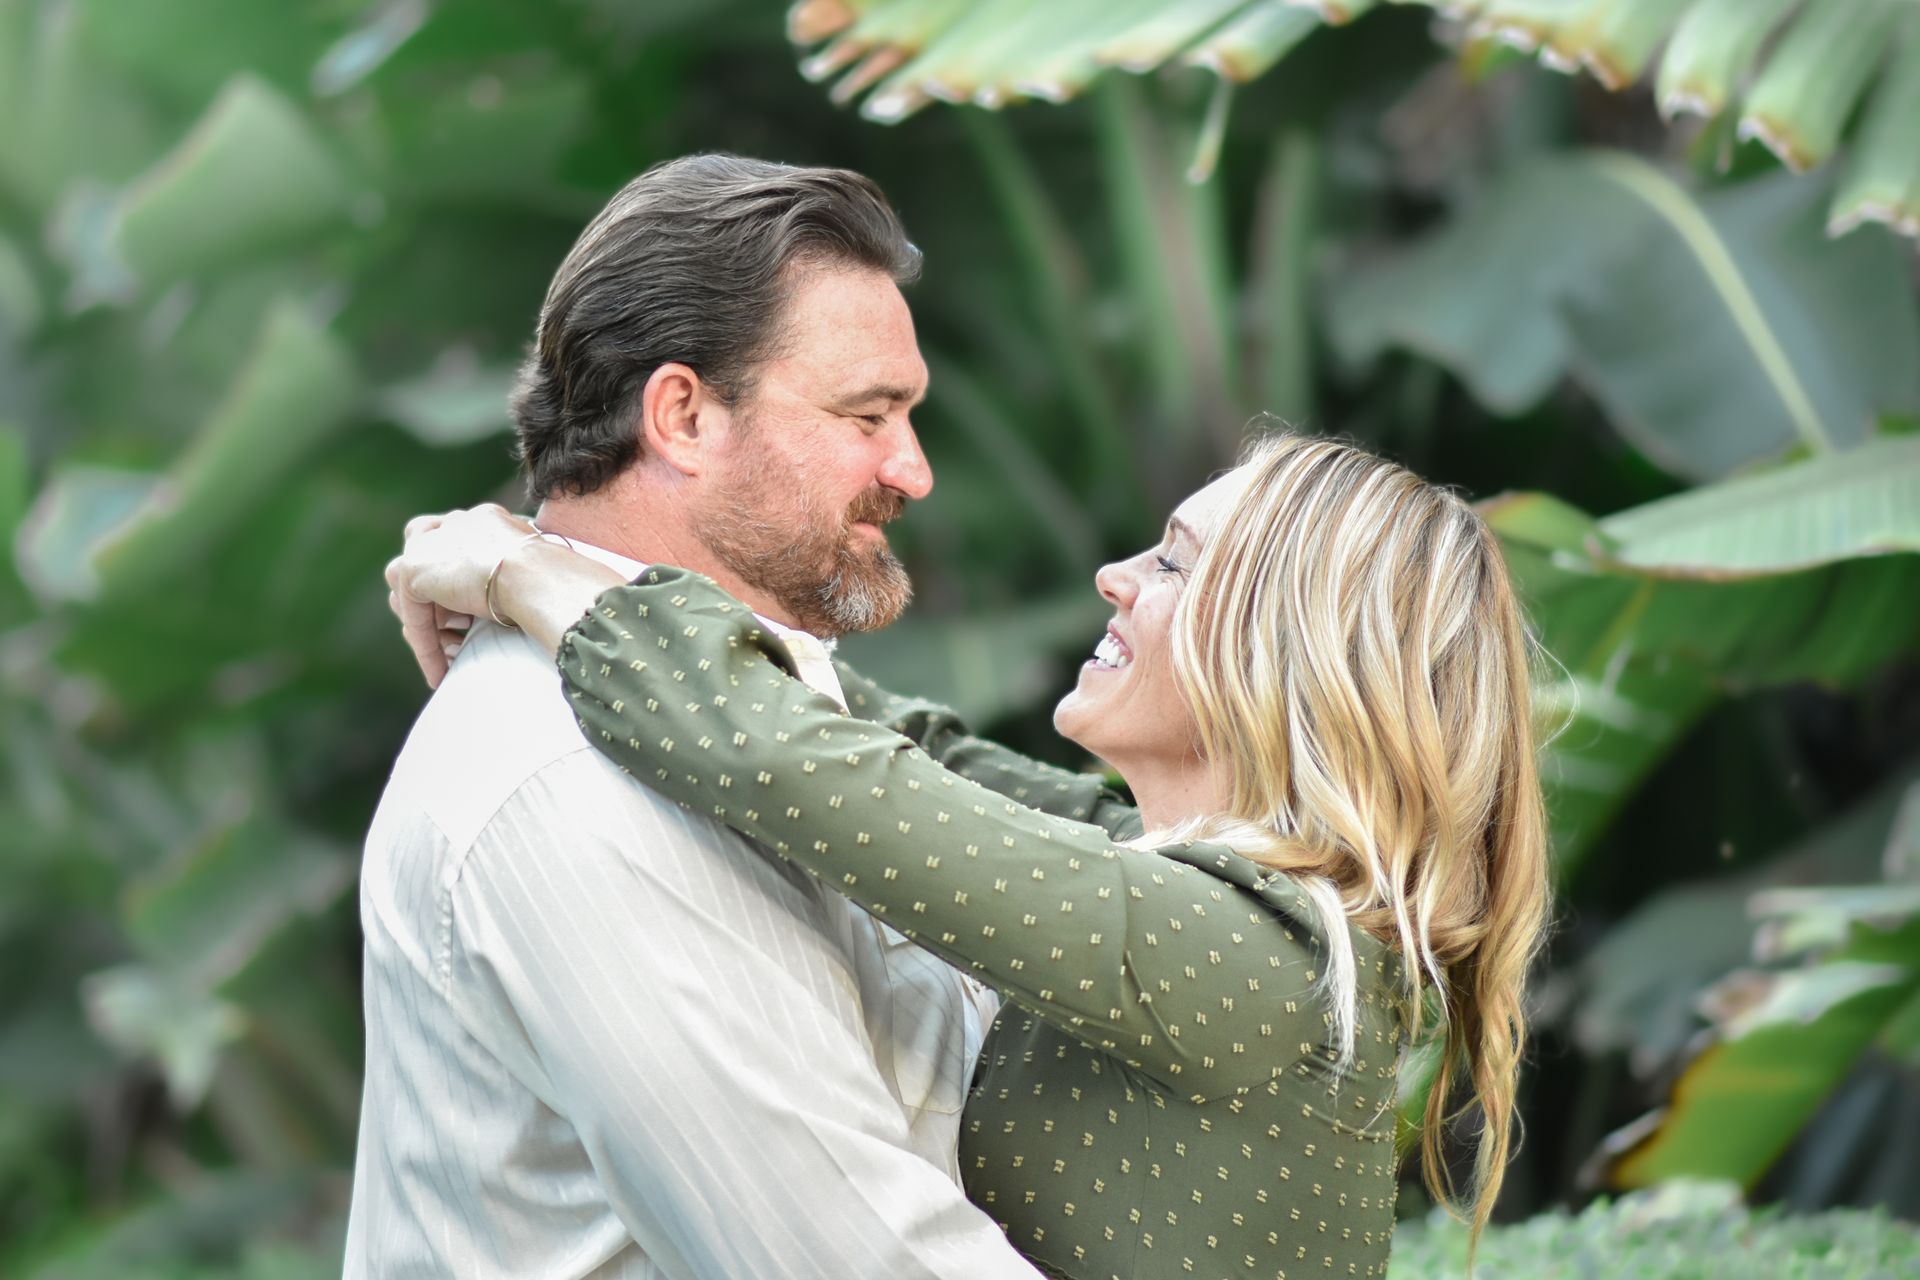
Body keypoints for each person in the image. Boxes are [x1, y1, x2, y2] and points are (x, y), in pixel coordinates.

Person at [385, 431, 1554, 1279]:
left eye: (1177, 563)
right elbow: (900, 744)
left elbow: (786, 759)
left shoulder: (1245, 953)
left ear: (1284, 653)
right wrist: (593, 555)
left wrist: (520, 571)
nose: (1118, 574)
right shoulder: (1181, 890)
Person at [347, 154, 1052, 1278]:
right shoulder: (576, 780)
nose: (912, 469)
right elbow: (852, 1257)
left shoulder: (738, 710)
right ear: (681, 414)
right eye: (867, 413)